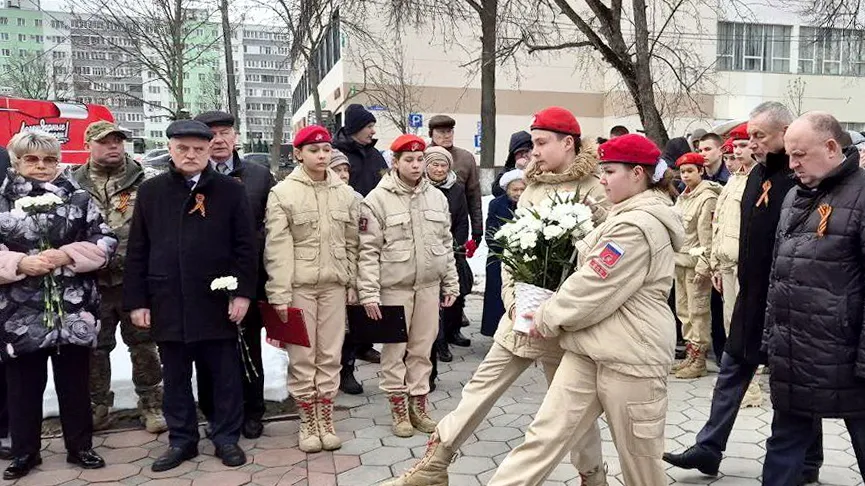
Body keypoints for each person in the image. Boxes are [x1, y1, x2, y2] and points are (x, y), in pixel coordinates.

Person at [382, 107, 609, 486]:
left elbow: (596, 263)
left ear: (568, 143)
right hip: (521, 315)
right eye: (532, 143)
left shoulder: (595, 190)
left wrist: (557, 309)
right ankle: (435, 464)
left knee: (568, 409)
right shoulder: (533, 189)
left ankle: (593, 477)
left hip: (562, 323)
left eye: (541, 143)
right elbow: (513, 253)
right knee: (478, 389)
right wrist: (513, 299)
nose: (533, 152)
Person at [485, 133, 683, 486]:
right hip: (587, 349)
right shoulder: (621, 213)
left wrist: (543, 316)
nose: (601, 179)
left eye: (609, 171)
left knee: (640, 464)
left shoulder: (638, 225)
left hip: (631, 357)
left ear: (638, 173)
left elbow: (591, 285)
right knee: (542, 439)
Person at [663, 102, 822, 485]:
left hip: (784, 301)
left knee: (793, 384)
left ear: (785, 133)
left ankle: (810, 461)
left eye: (759, 136)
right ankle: (708, 447)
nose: (751, 144)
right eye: (749, 136)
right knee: (732, 369)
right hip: (750, 295)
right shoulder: (755, 175)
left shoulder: (802, 179)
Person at [123, 120, 258, 472]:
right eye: (183, 148)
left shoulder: (229, 190)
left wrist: (243, 293)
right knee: (177, 377)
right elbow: (138, 248)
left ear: (208, 150)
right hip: (168, 298)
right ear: (170, 149)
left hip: (216, 299)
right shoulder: (151, 192)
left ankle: (226, 436)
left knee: (224, 375)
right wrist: (138, 300)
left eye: (198, 149)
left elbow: (246, 247)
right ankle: (182, 440)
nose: (191, 155)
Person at [0, 131, 117, 479]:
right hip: (19, 312)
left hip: (72, 308)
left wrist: (68, 254)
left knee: (75, 383)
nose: (41, 167)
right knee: (22, 386)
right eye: (31, 159)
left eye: (49, 159)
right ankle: (25, 452)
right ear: (17, 162)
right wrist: (18, 264)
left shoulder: (78, 198)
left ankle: (80, 447)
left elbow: (105, 240)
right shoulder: (3, 200)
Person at [760, 112, 865, 485]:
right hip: (794, 355)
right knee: (783, 448)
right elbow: (779, 274)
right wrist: (771, 341)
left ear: (832, 147)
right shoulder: (793, 197)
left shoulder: (862, 195)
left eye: (800, 155)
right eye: (789, 155)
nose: (792, 165)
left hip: (848, 359)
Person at [264, 125, 359, 453]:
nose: (322, 156)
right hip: (299, 287)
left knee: (330, 355)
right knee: (303, 357)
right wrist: (278, 293)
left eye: (326, 150)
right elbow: (277, 247)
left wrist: (352, 283)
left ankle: (326, 418)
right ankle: (307, 420)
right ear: (298, 154)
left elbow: (352, 244)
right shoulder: (283, 194)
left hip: (334, 286)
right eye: (314, 151)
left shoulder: (345, 194)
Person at [357, 134, 459, 438]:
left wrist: (450, 283)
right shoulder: (377, 200)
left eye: (419, 160)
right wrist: (369, 293)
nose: (416, 165)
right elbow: (368, 251)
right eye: (409, 160)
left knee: (422, 350)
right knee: (394, 351)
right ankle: (398, 409)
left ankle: (419, 406)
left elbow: (445, 243)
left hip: (428, 287)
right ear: (395, 162)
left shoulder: (436, 197)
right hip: (394, 289)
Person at [72, 121, 167, 435]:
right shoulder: (72, 184)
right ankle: (97, 406)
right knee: (95, 347)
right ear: (89, 144)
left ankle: (152, 403)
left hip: (134, 280)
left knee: (143, 344)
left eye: (118, 141)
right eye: (105, 141)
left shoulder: (146, 180)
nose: (114, 146)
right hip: (91, 283)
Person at [193, 111, 275, 440]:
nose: (219, 140)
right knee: (209, 349)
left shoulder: (258, 175)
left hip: (248, 275)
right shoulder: (191, 175)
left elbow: (270, 226)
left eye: (225, 132)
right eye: (211, 134)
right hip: (204, 279)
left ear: (235, 135)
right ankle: (214, 412)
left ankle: (253, 411)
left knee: (248, 346)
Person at [708, 123, 763, 408]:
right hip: (727, 265)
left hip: (747, 266)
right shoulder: (734, 180)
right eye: (734, 147)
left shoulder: (760, 179)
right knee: (731, 325)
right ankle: (737, 386)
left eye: (742, 145)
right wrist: (716, 264)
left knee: (747, 328)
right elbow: (720, 225)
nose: (737, 152)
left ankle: (751, 389)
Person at [332, 103, 384, 394]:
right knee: (343, 314)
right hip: (340, 241)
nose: (373, 132)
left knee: (364, 301)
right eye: (368, 127)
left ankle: (361, 349)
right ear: (354, 129)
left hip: (368, 234)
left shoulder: (375, 155)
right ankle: (341, 368)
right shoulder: (337, 154)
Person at [428, 115, 480, 346]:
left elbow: (473, 196)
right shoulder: (421, 156)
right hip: (428, 237)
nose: (445, 136)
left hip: (455, 233)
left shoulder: (466, 158)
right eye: (440, 133)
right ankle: (434, 337)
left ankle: (453, 329)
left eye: (448, 132)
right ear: (431, 135)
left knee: (456, 285)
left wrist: (476, 229)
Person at [670, 152, 721, 379]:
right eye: (683, 172)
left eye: (691, 171)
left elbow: (706, 237)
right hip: (680, 261)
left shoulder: (706, 197)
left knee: (698, 312)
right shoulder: (683, 196)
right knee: (684, 311)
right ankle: (690, 355)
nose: (686, 175)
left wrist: (704, 266)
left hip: (695, 265)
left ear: (701, 171)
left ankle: (699, 359)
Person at [424, 146, 470, 366]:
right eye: (435, 164)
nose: (439, 169)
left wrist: (456, 245)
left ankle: (447, 335)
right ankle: (437, 342)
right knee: (432, 301)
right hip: (426, 252)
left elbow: (462, 219)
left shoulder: (456, 189)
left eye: (444, 165)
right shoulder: (421, 187)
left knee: (450, 296)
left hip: (450, 250)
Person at [481, 169, 525, 337]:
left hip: (523, 257)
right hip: (498, 256)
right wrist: (506, 246)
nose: (518, 193)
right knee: (496, 295)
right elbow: (491, 233)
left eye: (522, 189)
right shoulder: (496, 205)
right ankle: (494, 332)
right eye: (515, 190)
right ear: (507, 189)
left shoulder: (530, 204)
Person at [491, 131, 532, 197]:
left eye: (526, 151)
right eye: (519, 153)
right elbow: (496, 191)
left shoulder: (542, 165)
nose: (524, 155)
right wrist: (516, 171)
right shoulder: (509, 168)